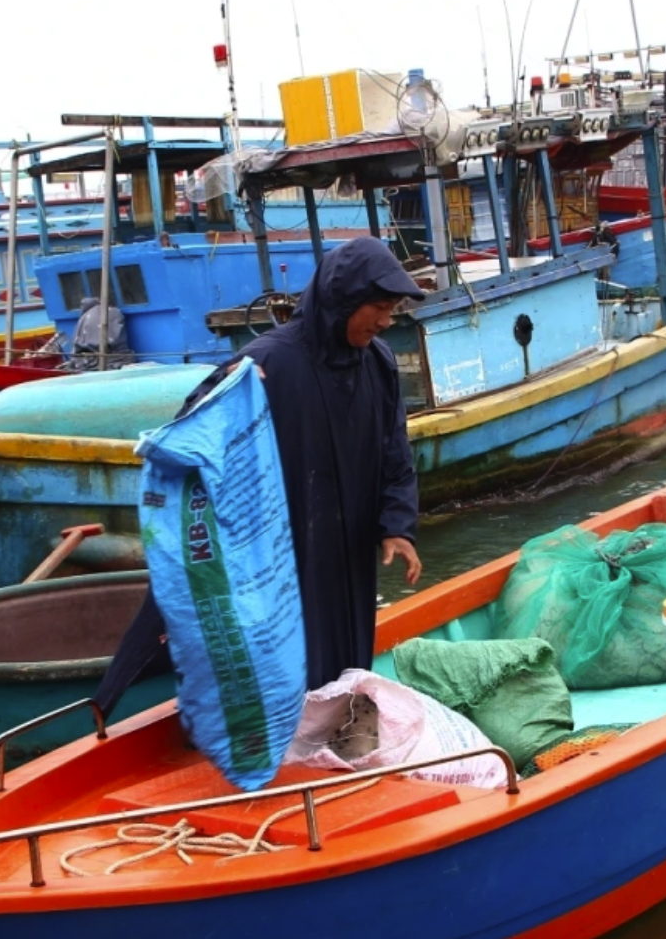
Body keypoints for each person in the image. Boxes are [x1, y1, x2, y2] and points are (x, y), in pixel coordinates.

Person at [96, 236, 426, 707]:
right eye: (378, 306)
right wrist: (228, 401)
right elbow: (190, 438)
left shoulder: (379, 363)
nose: (386, 320)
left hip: (345, 551)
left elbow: (395, 453)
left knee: (341, 665)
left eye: (392, 309)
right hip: (276, 554)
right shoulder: (269, 362)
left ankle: (324, 729)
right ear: (343, 299)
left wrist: (397, 526)